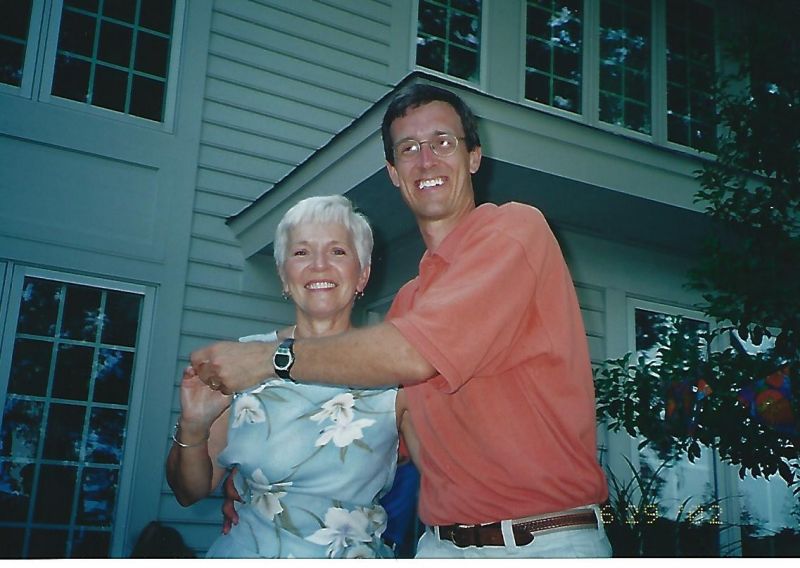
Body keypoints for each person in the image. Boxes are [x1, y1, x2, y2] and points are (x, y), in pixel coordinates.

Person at [191, 84, 611, 558]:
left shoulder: (514, 230)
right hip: (440, 546)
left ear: (474, 156)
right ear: (393, 172)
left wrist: (271, 359)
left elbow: (413, 355)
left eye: (443, 142)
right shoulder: (410, 304)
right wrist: (268, 489)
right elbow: (376, 434)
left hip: (541, 543)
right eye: (408, 149)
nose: (426, 160)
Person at [167, 195, 415, 558]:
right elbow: (188, 492)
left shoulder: (394, 372)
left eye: (337, 251)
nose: (319, 265)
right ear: (284, 275)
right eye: (301, 253)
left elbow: (447, 476)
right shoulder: (240, 362)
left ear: (362, 274)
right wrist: (193, 426)